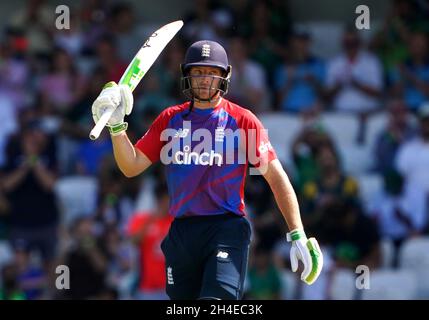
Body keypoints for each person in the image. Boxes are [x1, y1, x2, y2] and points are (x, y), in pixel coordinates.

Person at [91, 40, 323, 300]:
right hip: (182, 232)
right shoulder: (170, 119)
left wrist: (297, 232)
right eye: (198, 72)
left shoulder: (242, 120)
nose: (204, 80)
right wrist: (116, 128)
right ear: (187, 75)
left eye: (212, 73)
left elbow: (276, 177)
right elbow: (131, 166)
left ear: (224, 76)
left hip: (226, 227)